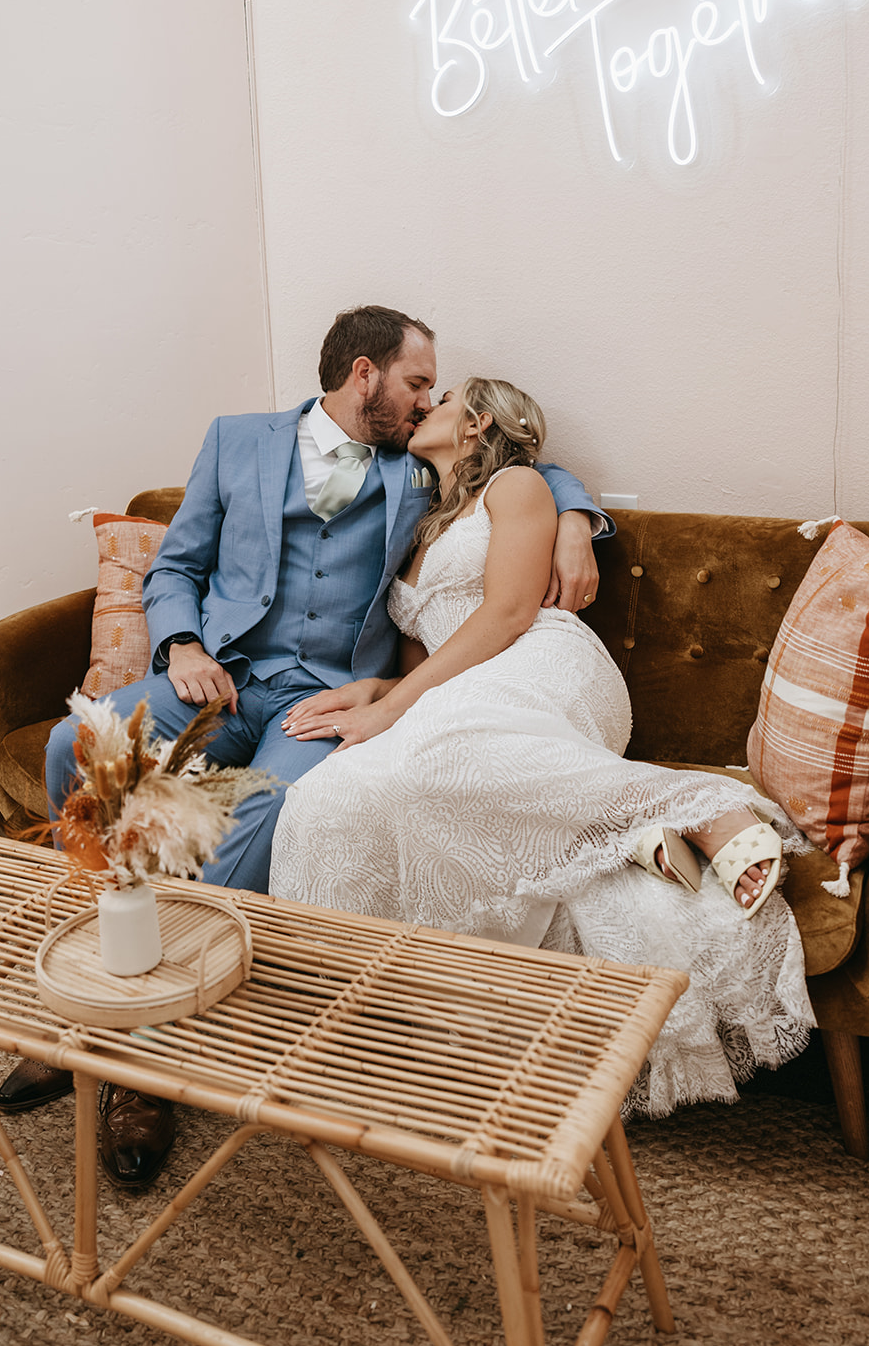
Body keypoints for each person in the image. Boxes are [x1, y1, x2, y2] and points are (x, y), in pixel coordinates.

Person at [0, 307, 612, 1183]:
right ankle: (109, 973)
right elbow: (175, 567)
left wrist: (580, 516)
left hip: (317, 702)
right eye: (413, 382)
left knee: (275, 807)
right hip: (218, 678)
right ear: (362, 374)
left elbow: (522, 463)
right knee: (74, 744)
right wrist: (183, 648)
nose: (426, 397)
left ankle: (143, 1055)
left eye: (434, 391)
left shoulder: (413, 461)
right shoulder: (236, 439)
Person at [269, 377, 814, 1117]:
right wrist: (381, 694)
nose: (425, 401)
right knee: (329, 797)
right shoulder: (424, 517)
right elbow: (415, 656)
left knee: (439, 752)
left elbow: (508, 610)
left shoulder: (516, 485)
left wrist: (396, 706)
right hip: (460, 686)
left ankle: (699, 805)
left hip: (536, 658)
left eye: (444, 394)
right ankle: (368, 1039)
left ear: (479, 422)